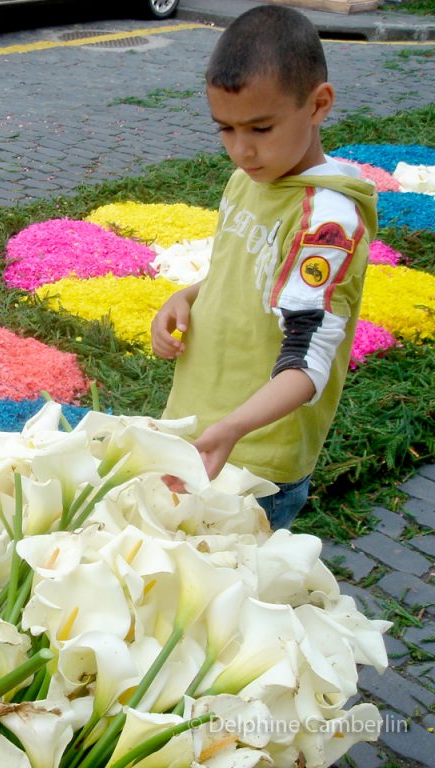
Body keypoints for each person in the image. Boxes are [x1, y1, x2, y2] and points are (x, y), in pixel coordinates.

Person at [150, 5, 378, 530]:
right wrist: (188, 296)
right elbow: (247, 272)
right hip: (206, 435)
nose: (242, 150)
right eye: (225, 129)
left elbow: (306, 365)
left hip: (256, 464)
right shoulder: (251, 179)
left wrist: (232, 429)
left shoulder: (326, 224)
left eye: (260, 127)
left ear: (318, 104)